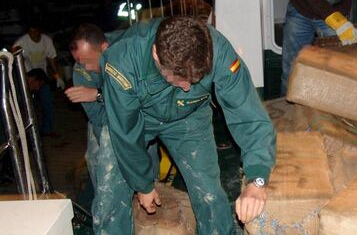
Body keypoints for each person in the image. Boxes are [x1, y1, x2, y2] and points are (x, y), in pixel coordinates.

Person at [101, 16, 276, 234]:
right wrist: (143, 185)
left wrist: (257, 180)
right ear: (156, 53)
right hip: (137, 117)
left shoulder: (218, 50)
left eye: (194, 81)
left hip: (189, 117)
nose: (185, 87)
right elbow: (125, 133)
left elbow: (248, 114)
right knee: (110, 200)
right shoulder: (123, 60)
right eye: (176, 79)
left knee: (209, 195)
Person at [64, 23, 159, 235]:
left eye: (89, 61)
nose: (86, 68)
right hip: (103, 114)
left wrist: (97, 94)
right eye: (79, 62)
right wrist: (111, 158)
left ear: (105, 47)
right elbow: (98, 119)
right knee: (98, 160)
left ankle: (150, 185)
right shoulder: (82, 72)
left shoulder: (130, 51)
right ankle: (108, 204)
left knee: (143, 148)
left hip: (138, 110)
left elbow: (139, 102)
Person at [13, 23, 65, 136]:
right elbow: (13, 55)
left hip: (42, 76)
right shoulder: (22, 42)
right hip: (28, 77)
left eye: (36, 31)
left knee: (48, 102)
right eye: (31, 32)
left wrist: (57, 76)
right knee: (28, 106)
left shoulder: (46, 41)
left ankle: (47, 129)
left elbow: (51, 58)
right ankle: (28, 133)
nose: (34, 34)